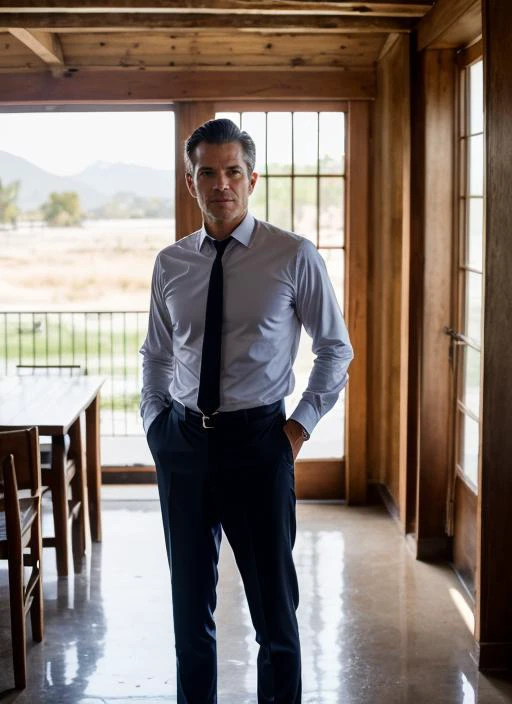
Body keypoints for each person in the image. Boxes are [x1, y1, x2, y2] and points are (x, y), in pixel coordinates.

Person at [140, 118, 353, 704]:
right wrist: (156, 427)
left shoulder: (292, 255)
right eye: (207, 172)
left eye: (232, 171)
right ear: (192, 183)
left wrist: (297, 428)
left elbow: (336, 348)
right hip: (182, 446)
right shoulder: (171, 263)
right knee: (190, 613)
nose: (220, 184)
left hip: (260, 445)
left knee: (275, 616)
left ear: (252, 179)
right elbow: (156, 353)